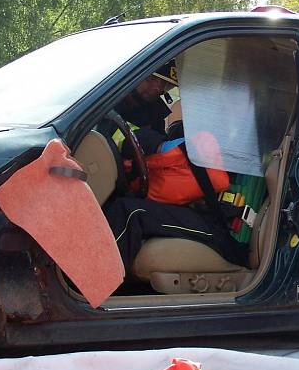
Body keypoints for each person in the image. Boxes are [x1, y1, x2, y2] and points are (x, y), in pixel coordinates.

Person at [103, 63, 249, 273]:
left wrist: (161, 144)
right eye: (152, 79)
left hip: (218, 225)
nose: (157, 87)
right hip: (192, 208)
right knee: (123, 205)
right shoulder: (204, 131)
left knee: (129, 212)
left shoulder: (240, 143)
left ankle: (90, 288)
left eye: (162, 83)